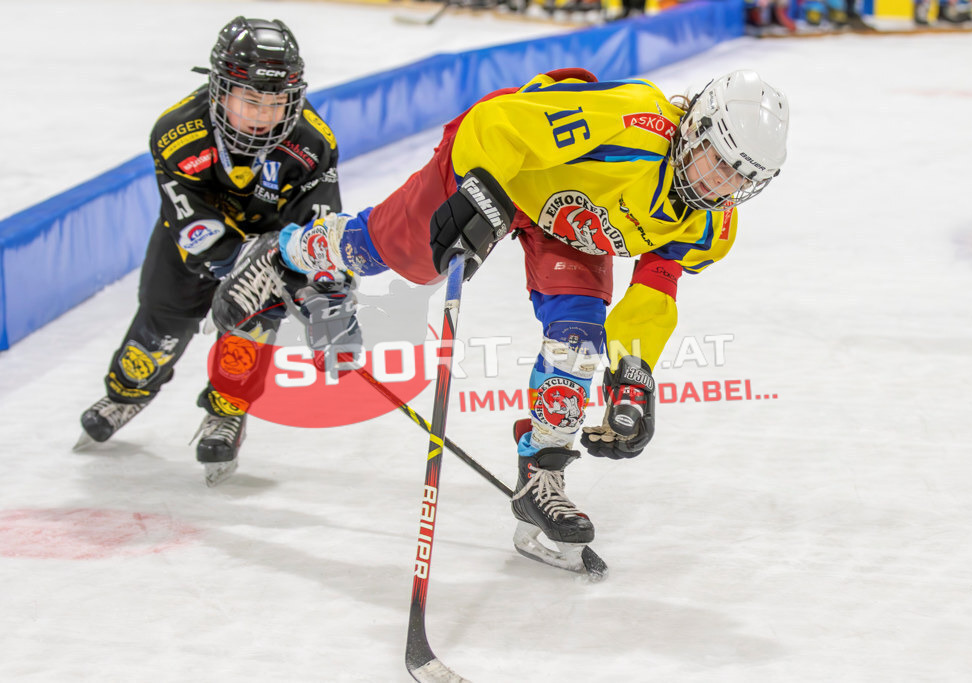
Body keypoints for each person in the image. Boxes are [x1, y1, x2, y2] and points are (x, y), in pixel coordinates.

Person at [217, 68, 789, 568]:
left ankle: (543, 472)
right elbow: (495, 124)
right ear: (695, 128)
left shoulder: (711, 222)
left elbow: (652, 294)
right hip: (501, 172)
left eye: (741, 178)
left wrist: (632, 378)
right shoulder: (631, 123)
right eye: (717, 160)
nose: (720, 184)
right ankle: (285, 254)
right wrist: (481, 192)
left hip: (568, 223)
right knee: (381, 253)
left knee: (580, 338)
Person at [76, 16, 345, 486]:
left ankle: (227, 412)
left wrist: (324, 296)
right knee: (160, 325)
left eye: (277, 101)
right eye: (251, 100)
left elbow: (318, 230)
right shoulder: (176, 133)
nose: (264, 114)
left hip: (269, 254)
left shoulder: (313, 145)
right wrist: (240, 262)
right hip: (190, 249)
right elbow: (191, 223)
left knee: (247, 338)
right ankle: (127, 391)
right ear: (220, 91)